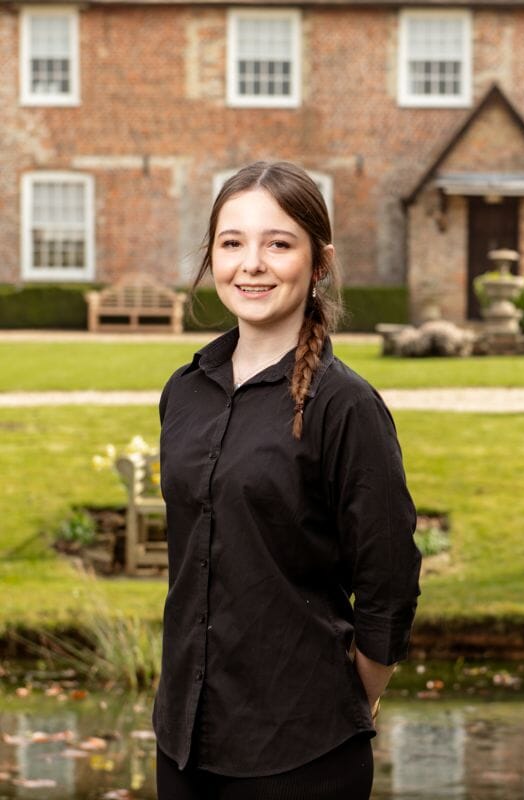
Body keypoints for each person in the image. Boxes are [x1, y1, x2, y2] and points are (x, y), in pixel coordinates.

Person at [153, 161, 422, 800]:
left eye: (278, 243)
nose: (252, 263)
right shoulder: (185, 392)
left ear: (319, 262)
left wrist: (354, 693)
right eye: (232, 242)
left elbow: (387, 579)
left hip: (302, 752)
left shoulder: (344, 405)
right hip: (184, 745)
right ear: (211, 257)